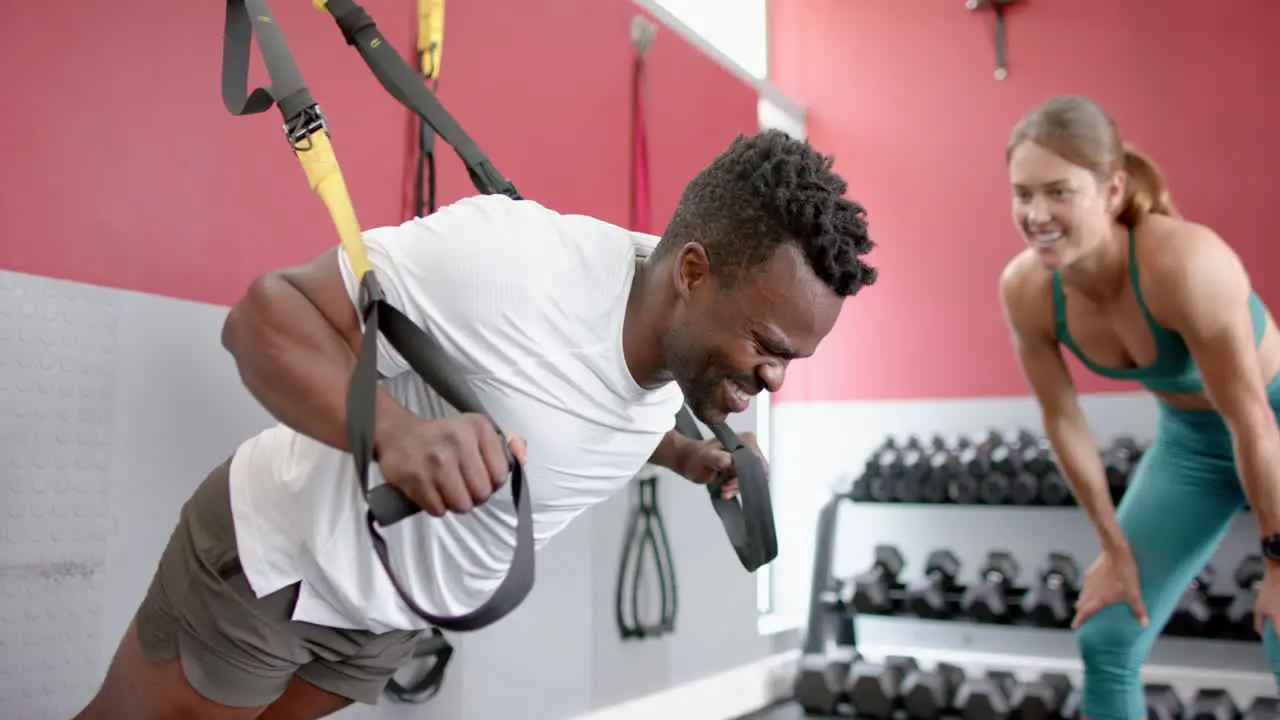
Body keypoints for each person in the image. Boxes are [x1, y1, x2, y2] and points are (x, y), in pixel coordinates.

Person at [74, 129, 878, 720]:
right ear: (694, 275)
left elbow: (589, 412)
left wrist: (686, 457)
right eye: (769, 348)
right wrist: (397, 435)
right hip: (276, 570)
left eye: (792, 360)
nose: (774, 380)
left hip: (383, 624)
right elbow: (261, 318)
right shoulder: (513, 267)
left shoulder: (677, 337)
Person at [998, 94, 1280, 719]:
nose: (1036, 213)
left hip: (1271, 424)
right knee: (1109, 630)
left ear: (1113, 189)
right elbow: (1064, 420)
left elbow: (1253, 419)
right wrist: (1115, 550)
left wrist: (1278, 566)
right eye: (1022, 193)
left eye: (1058, 192)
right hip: (1193, 443)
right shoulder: (1027, 290)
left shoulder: (1185, 263)